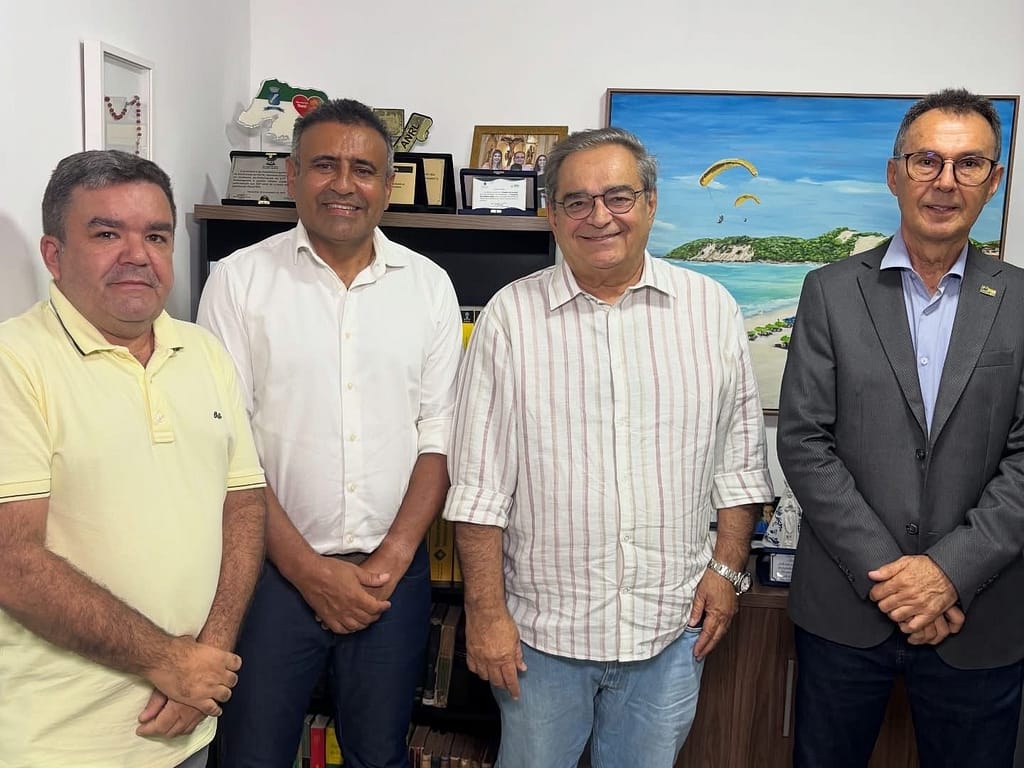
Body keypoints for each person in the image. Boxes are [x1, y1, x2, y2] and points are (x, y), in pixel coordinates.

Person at [444, 127, 774, 768]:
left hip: (670, 630)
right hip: (542, 637)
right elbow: (479, 487)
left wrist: (730, 571)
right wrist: (484, 612)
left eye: (618, 197)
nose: (600, 217)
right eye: (577, 201)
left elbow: (739, 465)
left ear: (650, 203)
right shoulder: (509, 318)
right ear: (552, 214)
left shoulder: (710, 310)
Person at [198, 98, 462, 768]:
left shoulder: (429, 287)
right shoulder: (237, 281)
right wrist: (308, 571)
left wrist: (393, 557)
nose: (344, 183)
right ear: (292, 176)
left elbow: (439, 434)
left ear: (388, 184)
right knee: (252, 755)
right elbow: (228, 445)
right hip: (268, 576)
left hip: (389, 579)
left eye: (363, 169)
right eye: (324, 165)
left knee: (378, 754)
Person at [777, 88, 1024, 768]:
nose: (945, 181)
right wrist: (899, 581)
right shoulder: (829, 291)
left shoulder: (1021, 300)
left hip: (980, 615)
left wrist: (947, 573)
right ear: (895, 174)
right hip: (844, 614)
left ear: (994, 182)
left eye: (969, 163)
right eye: (926, 160)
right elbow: (804, 442)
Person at [0, 150, 267, 768]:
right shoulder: (15, 363)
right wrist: (170, 661)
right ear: (53, 254)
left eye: (156, 235)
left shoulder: (203, 352)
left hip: (187, 725)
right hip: (61, 743)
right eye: (106, 234)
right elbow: (12, 562)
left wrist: (207, 659)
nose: (137, 255)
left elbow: (244, 503)